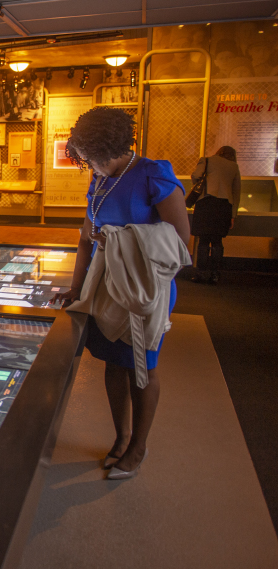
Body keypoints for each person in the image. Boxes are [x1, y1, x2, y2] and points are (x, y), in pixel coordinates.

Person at [52, 107, 190, 480]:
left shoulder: (151, 173)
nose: (86, 165)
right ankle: (122, 436)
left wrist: (116, 240)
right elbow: (85, 239)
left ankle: (138, 447)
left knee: (142, 368)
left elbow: (180, 241)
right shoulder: (100, 179)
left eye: (87, 157)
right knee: (115, 362)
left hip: (143, 287)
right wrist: (77, 288)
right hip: (106, 288)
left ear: (105, 148)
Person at [190, 146, 241, 284]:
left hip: (206, 203)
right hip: (224, 207)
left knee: (203, 241)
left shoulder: (207, 160)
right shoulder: (234, 167)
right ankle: (215, 274)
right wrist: (233, 215)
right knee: (217, 242)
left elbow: (196, 176)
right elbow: (236, 192)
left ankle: (200, 273)